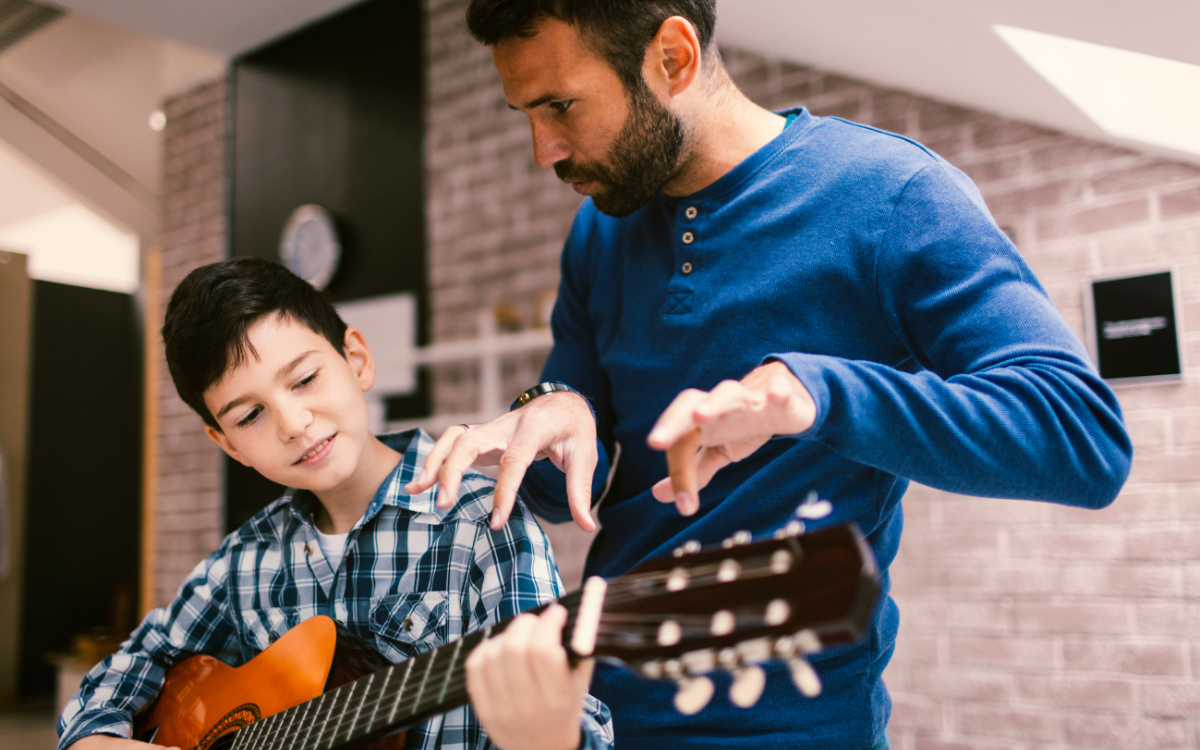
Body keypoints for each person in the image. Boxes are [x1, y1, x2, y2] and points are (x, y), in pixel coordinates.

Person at [404, 2, 1134, 749]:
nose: (543, 149)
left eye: (560, 105)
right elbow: (567, 490)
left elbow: (1082, 439)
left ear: (673, 58)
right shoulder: (601, 229)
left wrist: (816, 392)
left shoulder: (893, 194)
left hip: (797, 722)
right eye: (524, 112)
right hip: (596, 718)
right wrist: (538, 417)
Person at [58, 258, 613, 750]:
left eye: (304, 379)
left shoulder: (481, 524)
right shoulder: (243, 562)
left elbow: (582, 722)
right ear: (226, 444)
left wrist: (553, 736)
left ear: (356, 359)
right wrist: (95, 739)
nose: (293, 425)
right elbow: (134, 662)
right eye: (249, 416)